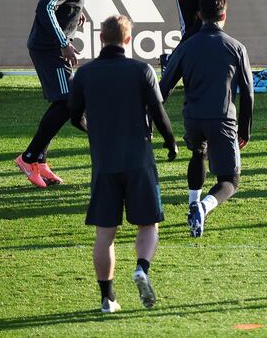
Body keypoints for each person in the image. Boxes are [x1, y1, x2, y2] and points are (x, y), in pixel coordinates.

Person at [68, 15, 178, 313]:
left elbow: (74, 114)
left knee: (105, 233)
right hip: (139, 160)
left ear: (101, 38)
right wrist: (171, 144)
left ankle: (108, 298)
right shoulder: (141, 70)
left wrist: (94, 130)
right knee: (148, 223)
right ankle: (142, 267)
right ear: (128, 40)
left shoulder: (85, 75)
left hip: (104, 162)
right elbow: (158, 113)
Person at [15, 0, 111, 188]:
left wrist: (72, 7)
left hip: (51, 45)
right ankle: (30, 157)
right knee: (67, 102)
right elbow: (45, 6)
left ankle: (39, 160)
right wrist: (63, 42)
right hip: (49, 48)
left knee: (65, 101)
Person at [160, 0, 253, 238]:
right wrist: (245, 130)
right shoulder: (236, 47)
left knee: (198, 152)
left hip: (193, 117)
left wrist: (154, 122)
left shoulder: (186, 46)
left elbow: (163, 87)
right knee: (230, 180)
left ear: (199, 16)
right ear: (224, 15)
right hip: (222, 118)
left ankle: (193, 202)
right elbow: (249, 94)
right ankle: (203, 206)